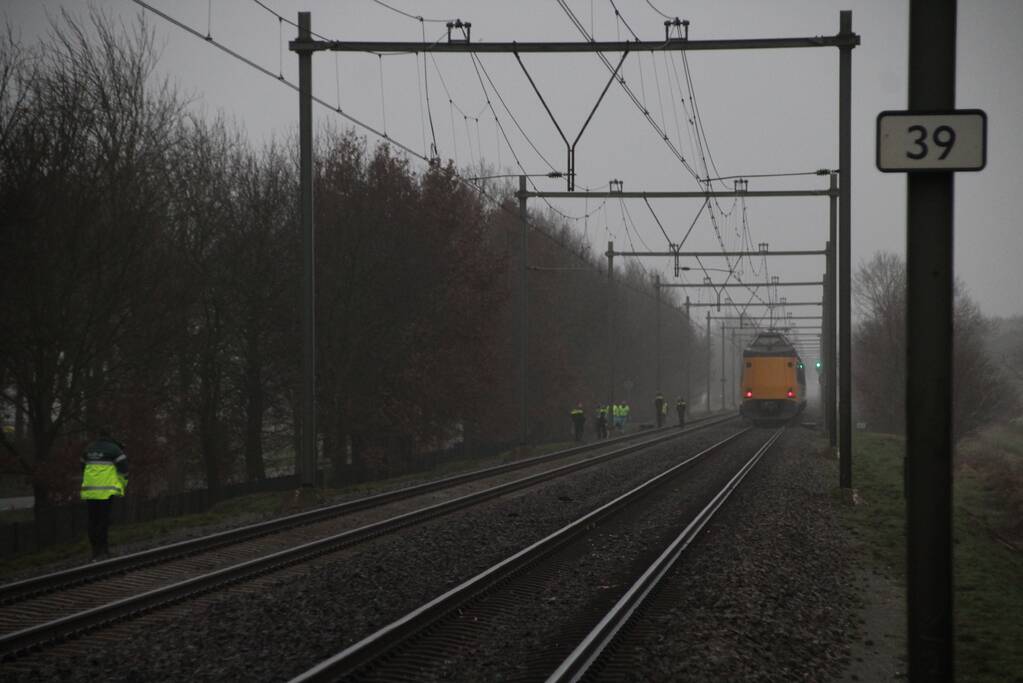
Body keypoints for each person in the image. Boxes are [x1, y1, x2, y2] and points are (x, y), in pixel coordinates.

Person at [80, 428, 128, 560]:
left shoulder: (88, 449)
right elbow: (124, 469)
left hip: (90, 491)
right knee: (103, 520)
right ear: (111, 436)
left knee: (92, 520)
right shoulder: (114, 450)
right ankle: (104, 550)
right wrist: (122, 485)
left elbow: (82, 466)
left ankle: (94, 551)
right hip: (106, 491)